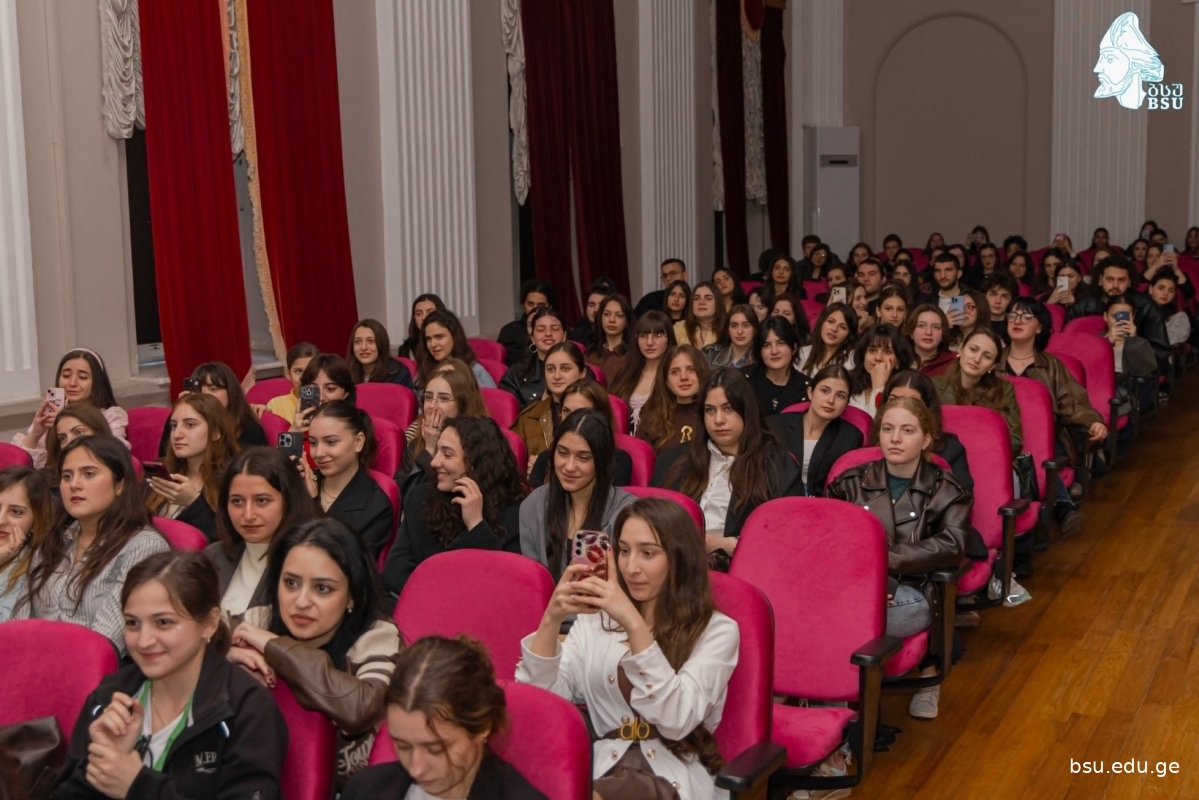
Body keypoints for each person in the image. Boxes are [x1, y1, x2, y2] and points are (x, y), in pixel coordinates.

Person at [517, 497, 738, 799]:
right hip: (603, 769)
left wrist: (633, 624)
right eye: (623, 551)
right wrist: (551, 619)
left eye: (648, 553)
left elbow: (676, 719)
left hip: (670, 775)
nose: (631, 567)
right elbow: (540, 705)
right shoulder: (595, 621)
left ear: (679, 558)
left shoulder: (717, 630)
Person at [53, 551, 287, 799]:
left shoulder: (245, 708)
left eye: (163, 622)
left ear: (210, 623)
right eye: (132, 623)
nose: (144, 641)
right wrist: (102, 762)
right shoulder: (111, 696)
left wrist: (138, 786)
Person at [827, 396, 971, 719]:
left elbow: (952, 545)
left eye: (907, 430)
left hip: (914, 591)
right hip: (855, 587)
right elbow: (828, 542)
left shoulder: (947, 489)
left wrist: (884, 562)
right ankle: (836, 704)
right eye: (888, 429)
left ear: (926, 439)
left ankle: (838, 703)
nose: (895, 438)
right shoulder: (849, 483)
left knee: (838, 618)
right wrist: (868, 578)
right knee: (829, 611)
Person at [230, 518, 403, 787]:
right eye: (290, 583)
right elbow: (193, 638)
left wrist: (276, 648)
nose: (301, 602)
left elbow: (360, 707)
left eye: (322, 589)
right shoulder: (259, 620)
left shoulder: (378, 636)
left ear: (352, 596)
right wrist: (226, 653)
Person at [18, 435, 169, 655]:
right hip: (32, 667)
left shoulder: (144, 547)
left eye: (88, 474)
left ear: (120, 485)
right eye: (67, 476)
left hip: (93, 669)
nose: (74, 485)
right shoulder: (54, 539)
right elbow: (20, 622)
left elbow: (105, 645)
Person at [343, 636, 546, 799]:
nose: (416, 769)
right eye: (402, 746)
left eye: (436, 749)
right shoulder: (365, 789)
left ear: (483, 727)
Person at [653, 369, 802, 560]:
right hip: (674, 563)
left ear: (746, 411)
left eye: (728, 408)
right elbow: (648, 520)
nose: (718, 420)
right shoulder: (673, 460)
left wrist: (730, 545)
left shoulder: (778, 466)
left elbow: (789, 537)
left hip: (743, 566)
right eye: (710, 410)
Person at [382, 417, 528, 598]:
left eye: (447, 455)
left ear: (477, 462)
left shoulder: (515, 510)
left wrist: (476, 524)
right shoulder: (421, 497)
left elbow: (504, 583)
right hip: (422, 604)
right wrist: (440, 595)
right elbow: (395, 570)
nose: (434, 462)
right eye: (437, 451)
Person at [518, 409, 634, 581]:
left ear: (602, 461)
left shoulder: (627, 513)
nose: (569, 466)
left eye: (583, 457)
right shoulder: (534, 505)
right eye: (562, 453)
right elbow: (532, 582)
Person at [206, 447, 318, 620]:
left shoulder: (314, 562)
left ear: (289, 501)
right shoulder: (213, 556)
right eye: (237, 501)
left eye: (262, 500)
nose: (248, 515)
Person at [300, 400, 394, 560]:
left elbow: (345, 563)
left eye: (331, 442)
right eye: (313, 443)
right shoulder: (302, 483)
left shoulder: (376, 506)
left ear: (358, 442)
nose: (318, 453)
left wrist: (313, 504)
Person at [12, 348, 128, 469]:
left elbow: (117, 457)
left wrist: (65, 422)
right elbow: (18, 466)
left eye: (82, 377)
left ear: (97, 382)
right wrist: (36, 433)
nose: (72, 383)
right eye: (66, 376)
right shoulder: (50, 415)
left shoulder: (111, 416)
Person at [146, 394, 238, 542]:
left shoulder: (233, 480)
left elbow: (231, 543)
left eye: (190, 425)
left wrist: (194, 503)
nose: (177, 434)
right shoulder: (164, 471)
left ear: (215, 433)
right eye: (174, 426)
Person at [767, 365, 863, 496]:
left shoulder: (850, 437)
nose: (831, 400)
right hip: (774, 500)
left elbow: (845, 487)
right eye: (825, 391)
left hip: (822, 504)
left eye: (840, 396)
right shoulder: (775, 425)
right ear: (810, 392)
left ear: (847, 403)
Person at [1069, 255, 1171, 371]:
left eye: (1121, 280)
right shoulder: (1083, 305)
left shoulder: (1146, 306)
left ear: (1129, 282)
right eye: (1110, 279)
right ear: (1100, 280)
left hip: (1135, 372)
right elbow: (1068, 345)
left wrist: (1134, 341)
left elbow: (1160, 353)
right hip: (1090, 368)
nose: (1115, 285)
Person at [527, 379, 634, 488]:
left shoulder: (618, 461)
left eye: (581, 412)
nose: (572, 419)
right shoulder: (545, 458)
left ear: (602, 417)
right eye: (566, 411)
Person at [881, 371, 975, 493]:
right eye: (893, 400)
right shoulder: (875, 442)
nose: (901, 407)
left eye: (912, 402)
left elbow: (962, 496)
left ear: (927, 409)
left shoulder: (951, 449)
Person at [400, 365, 490, 489]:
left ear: (462, 405)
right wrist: (429, 448)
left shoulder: (480, 442)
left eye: (443, 399)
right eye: (428, 397)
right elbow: (406, 493)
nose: (432, 406)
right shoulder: (417, 443)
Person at [159, 362, 266, 455]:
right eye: (199, 390)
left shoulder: (249, 429)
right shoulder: (181, 421)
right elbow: (165, 456)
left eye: (213, 389)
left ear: (230, 392)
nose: (205, 395)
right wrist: (181, 411)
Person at [511, 342, 587, 470]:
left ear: (582, 373)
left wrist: (543, 466)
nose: (556, 376)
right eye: (550, 369)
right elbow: (511, 464)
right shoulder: (529, 417)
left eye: (565, 369)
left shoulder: (595, 412)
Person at [0, 467, 52, 622]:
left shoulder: (35, 571)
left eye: (16, 512)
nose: (1, 520)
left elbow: (6, 629)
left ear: (35, 521)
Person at [636, 345, 710, 452]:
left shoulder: (715, 416)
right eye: (675, 372)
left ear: (702, 374)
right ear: (667, 382)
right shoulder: (650, 421)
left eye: (691, 369)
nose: (684, 377)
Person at [609, 311, 676, 430]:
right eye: (643, 336)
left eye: (658, 335)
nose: (649, 342)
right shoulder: (625, 373)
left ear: (669, 338)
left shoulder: (675, 375)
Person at [500, 308, 570, 407]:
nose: (548, 334)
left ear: (564, 336)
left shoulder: (580, 370)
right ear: (532, 338)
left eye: (554, 329)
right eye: (541, 329)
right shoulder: (514, 376)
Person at [44, 403, 114, 496]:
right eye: (62, 438)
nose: (69, 442)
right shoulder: (49, 485)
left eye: (79, 432)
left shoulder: (118, 469)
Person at [847, 324, 914, 416]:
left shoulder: (906, 390)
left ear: (898, 360)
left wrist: (879, 386)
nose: (878, 357)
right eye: (872, 350)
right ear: (863, 356)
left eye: (887, 352)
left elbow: (879, 422)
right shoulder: (847, 383)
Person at [748, 316, 810, 416]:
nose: (774, 351)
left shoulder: (808, 388)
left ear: (794, 348)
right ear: (759, 351)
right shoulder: (744, 379)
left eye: (781, 343)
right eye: (767, 345)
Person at [421, 310, 497, 391]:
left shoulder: (475, 372)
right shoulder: (425, 371)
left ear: (454, 337)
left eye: (439, 337)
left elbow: (491, 398)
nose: (433, 344)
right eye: (428, 339)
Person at [290, 353, 358, 432]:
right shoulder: (298, 426)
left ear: (345, 394)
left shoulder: (355, 427)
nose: (321, 397)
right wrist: (294, 431)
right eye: (313, 389)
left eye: (330, 389)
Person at [347, 318, 416, 389]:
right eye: (358, 342)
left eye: (370, 341)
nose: (363, 347)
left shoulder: (399, 374)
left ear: (382, 344)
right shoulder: (345, 374)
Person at [498, 281, 554, 365]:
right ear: (524, 305)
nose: (535, 309)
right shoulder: (509, 331)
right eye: (530, 304)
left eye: (540, 305)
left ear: (550, 306)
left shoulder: (558, 330)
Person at [263, 341, 320, 422]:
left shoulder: (327, 400)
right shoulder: (276, 405)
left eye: (310, 370)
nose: (304, 377)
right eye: (298, 371)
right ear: (288, 374)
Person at [797, 302, 858, 374]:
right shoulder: (802, 353)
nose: (834, 329)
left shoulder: (852, 360)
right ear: (822, 322)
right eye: (830, 321)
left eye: (842, 327)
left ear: (849, 335)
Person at [587, 294, 634, 381]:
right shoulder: (590, 356)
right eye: (607, 314)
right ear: (600, 317)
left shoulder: (634, 355)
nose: (612, 320)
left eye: (619, 315)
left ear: (627, 320)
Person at [704, 303, 759, 369]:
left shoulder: (761, 359)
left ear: (755, 329)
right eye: (734, 326)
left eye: (746, 326)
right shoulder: (710, 355)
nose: (739, 331)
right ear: (727, 330)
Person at [674, 281, 727, 350]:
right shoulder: (679, 328)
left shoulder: (728, 329)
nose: (701, 302)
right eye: (696, 298)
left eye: (708, 298)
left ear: (718, 303)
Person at [396, 293, 446, 360]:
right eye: (418, 314)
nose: (424, 317)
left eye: (430, 312)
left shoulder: (453, 343)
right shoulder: (406, 349)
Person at [1148, 271, 1191, 347]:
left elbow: (1166, 340)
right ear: (1151, 289)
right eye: (1161, 288)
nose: (1165, 293)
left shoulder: (1179, 316)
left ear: (1174, 294)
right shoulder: (1138, 311)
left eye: (1171, 290)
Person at [573, 278, 619, 343]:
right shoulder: (576, 336)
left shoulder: (620, 336)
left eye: (601, 305)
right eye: (592, 305)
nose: (596, 310)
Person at [981, 272, 1018, 341]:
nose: (998, 301)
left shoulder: (1015, 327)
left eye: (1004, 296)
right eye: (993, 294)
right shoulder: (974, 322)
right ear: (984, 296)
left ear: (1012, 300)